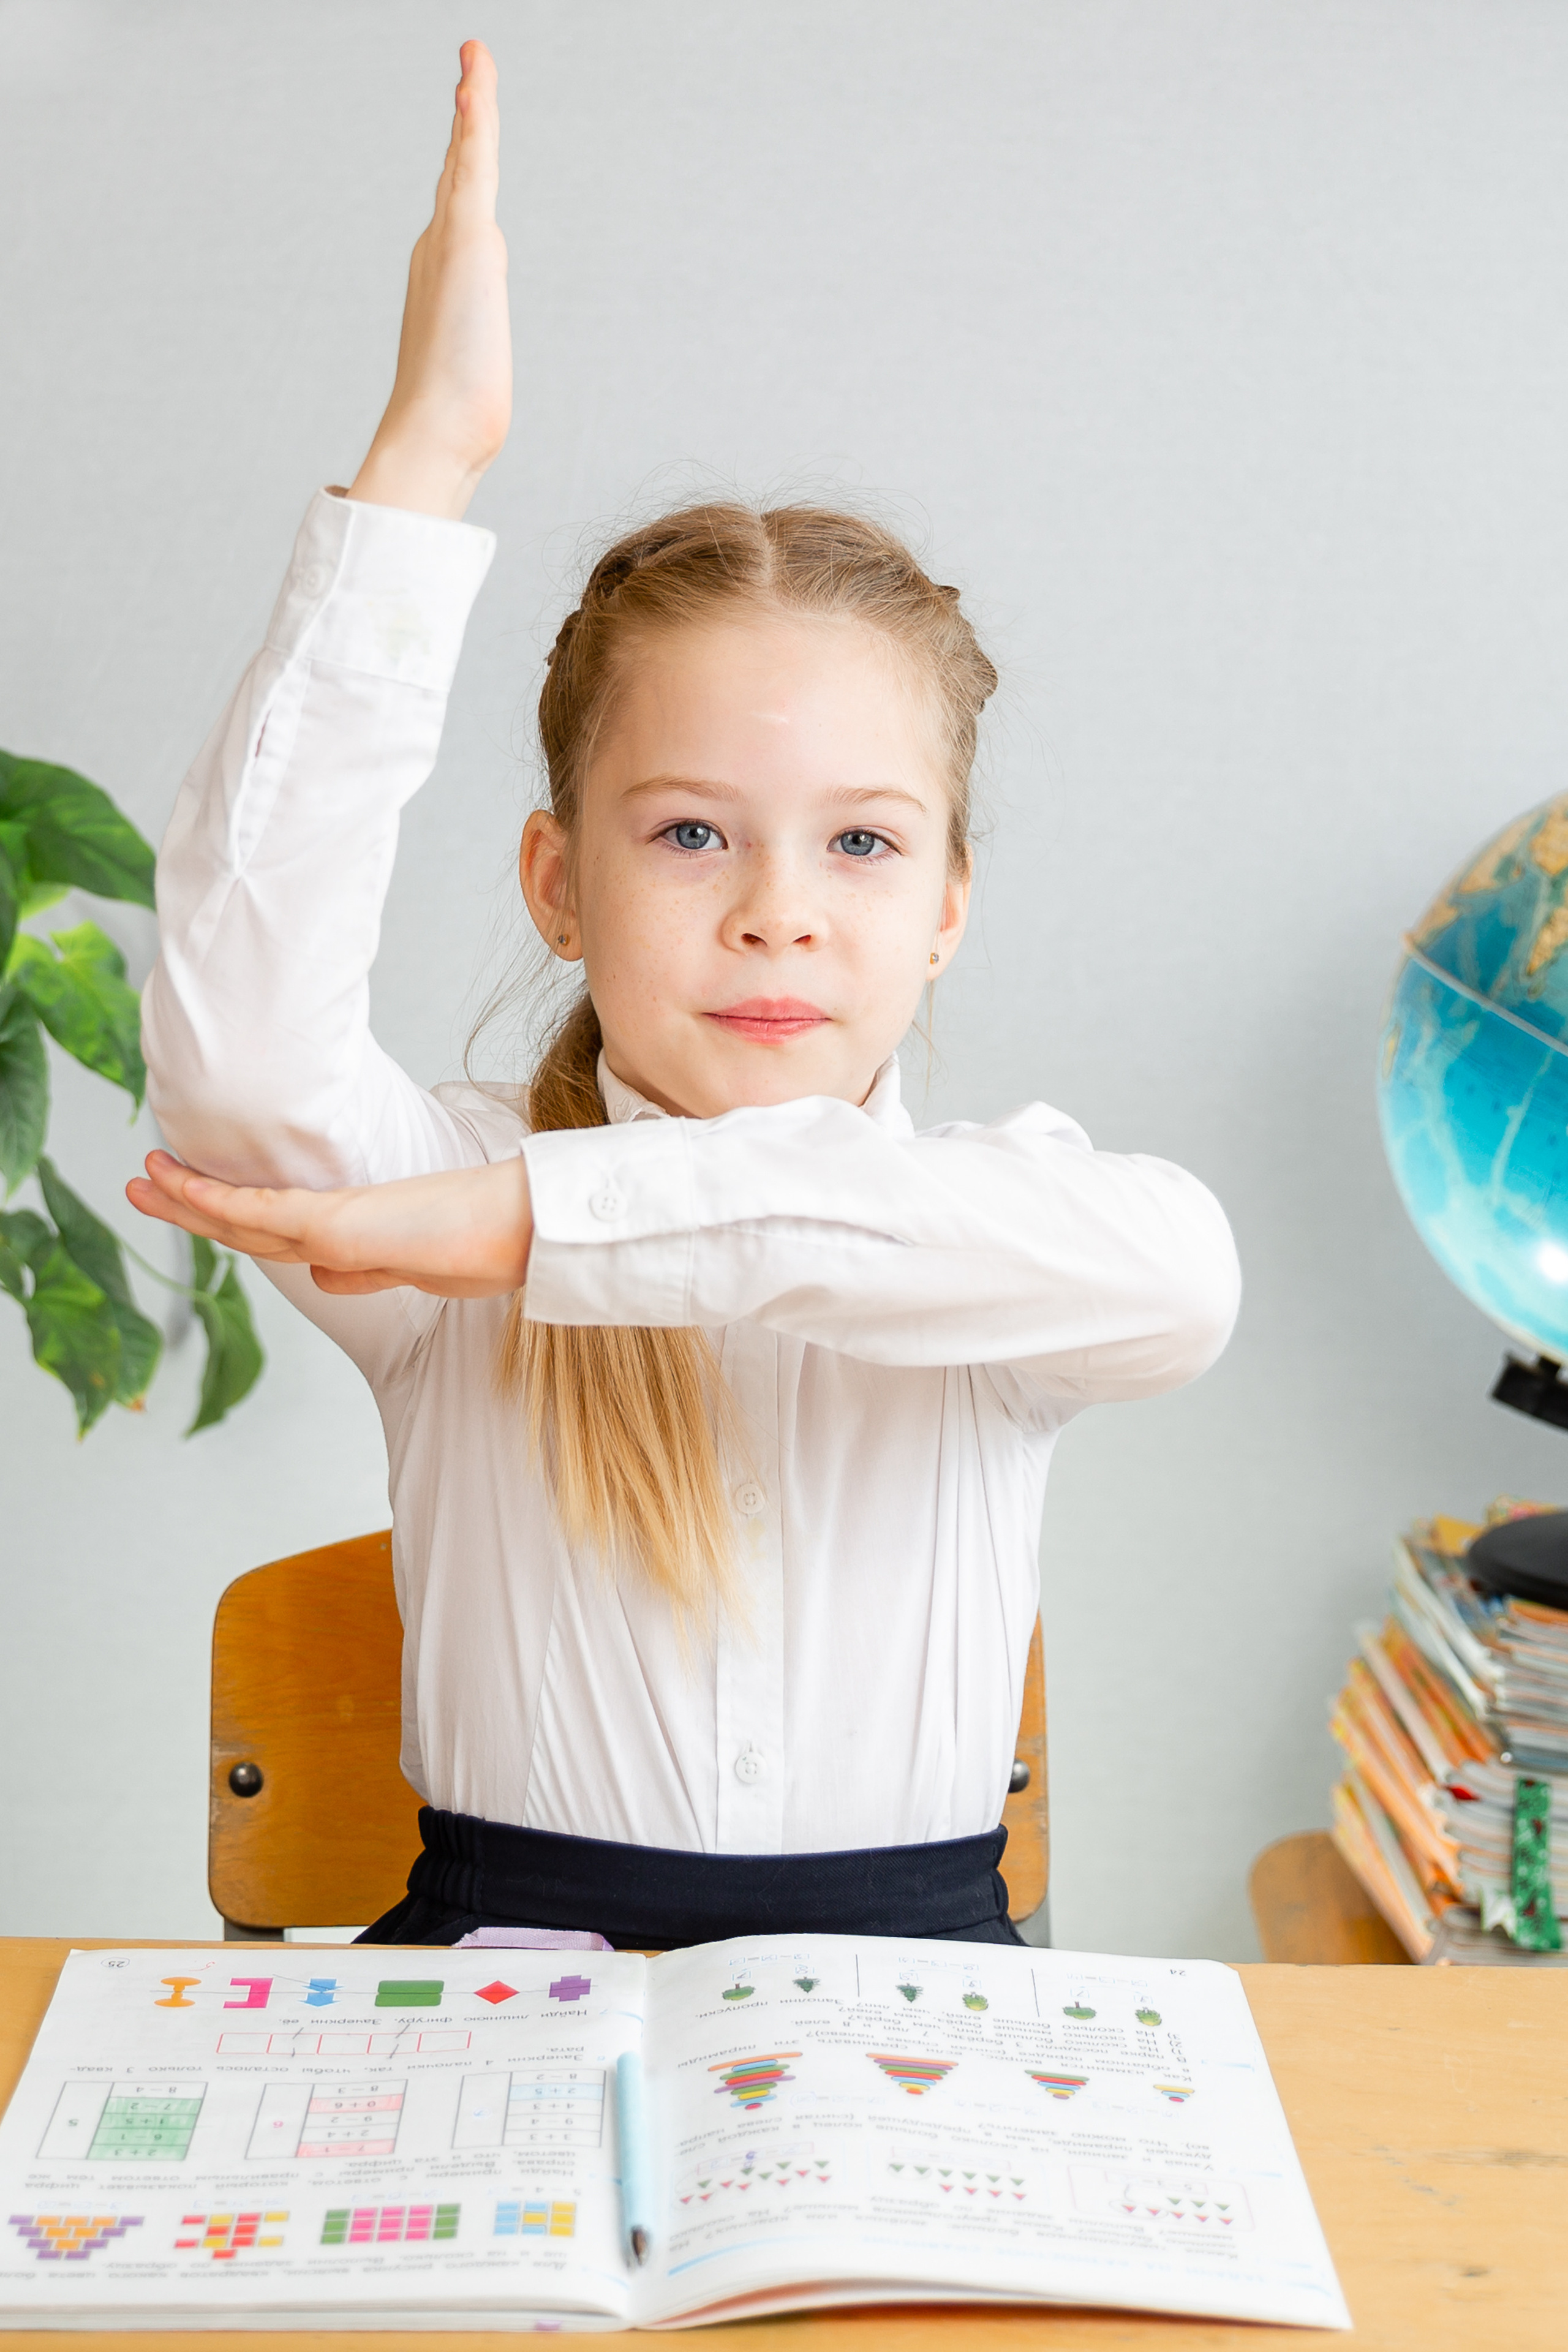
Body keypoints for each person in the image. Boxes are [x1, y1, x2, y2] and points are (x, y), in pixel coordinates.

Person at [132, 40, 1240, 1950]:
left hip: (899, 2026)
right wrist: (425, 467)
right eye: (692, 837)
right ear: (558, 883)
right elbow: (237, 1059)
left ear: (952, 907)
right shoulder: (437, 1209)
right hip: (496, 2000)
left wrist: (539, 1223)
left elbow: (1190, 1279)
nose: (779, 919)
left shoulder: (1012, 1233)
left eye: (865, 846)